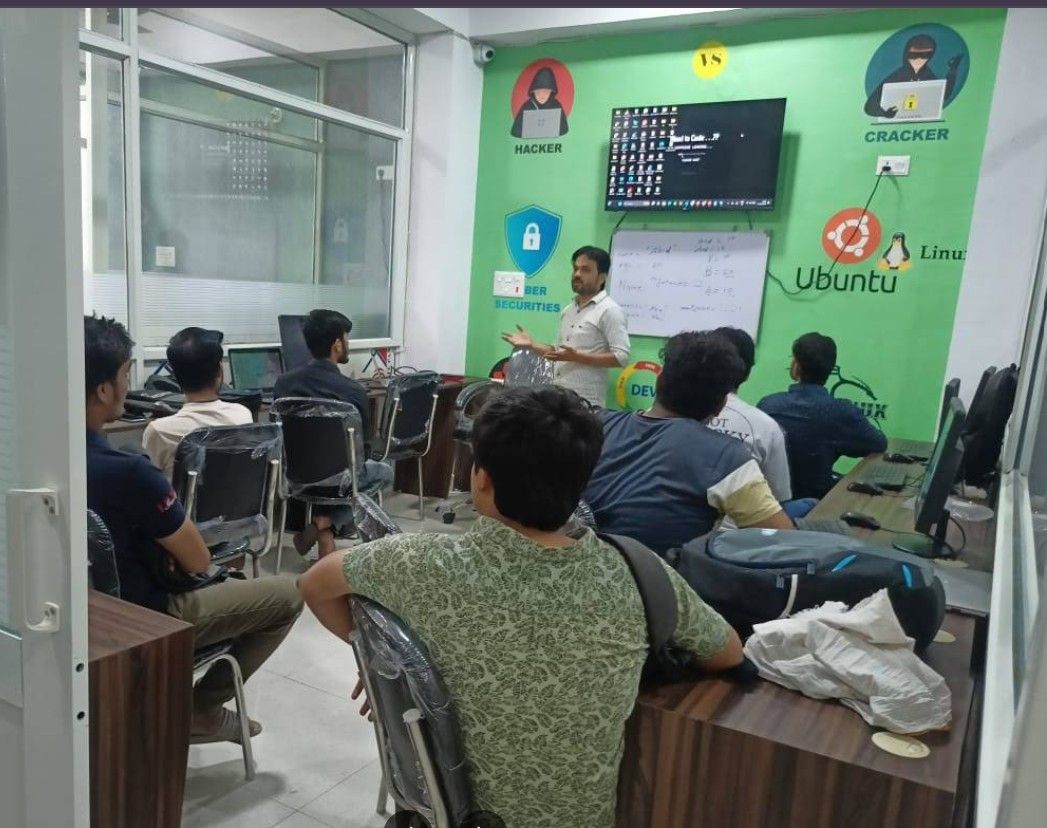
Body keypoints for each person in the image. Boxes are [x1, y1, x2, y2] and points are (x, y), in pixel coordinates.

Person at [299, 386, 742, 828]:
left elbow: (315, 584)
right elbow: (728, 652)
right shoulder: (636, 573)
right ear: (583, 480)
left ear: (481, 478)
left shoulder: (419, 563)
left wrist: (384, 661)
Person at [84, 316, 302, 744]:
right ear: (105, 389)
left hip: (89, 610)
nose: (129, 384)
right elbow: (198, 559)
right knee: (291, 595)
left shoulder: (52, 460)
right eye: (127, 374)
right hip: (149, 609)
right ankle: (201, 709)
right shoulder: (130, 471)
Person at [584, 331, 793, 556]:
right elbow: (783, 541)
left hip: (577, 562)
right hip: (656, 576)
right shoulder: (726, 457)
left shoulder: (596, 424)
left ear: (658, 380)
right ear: (721, 405)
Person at [272, 308, 393, 558]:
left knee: (332, 475)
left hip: (295, 477)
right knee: (384, 471)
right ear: (337, 344)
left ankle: (323, 528)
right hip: (341, 480)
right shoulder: (352, 391)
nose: (348, 344)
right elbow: (362, 448)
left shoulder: (283, 384)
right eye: (347, 339)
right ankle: (326, 524)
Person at [758, 332, 887, 500]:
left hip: (767, 501)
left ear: (796, 366)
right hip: (816, 504)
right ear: (831, 369)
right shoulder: (841, 412)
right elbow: (879, 443)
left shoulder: (767, 404)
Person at [501, 246, 630, 407]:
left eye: (585, 270)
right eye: (575, 268)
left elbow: (621, 357)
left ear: (602, 277)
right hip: (559, 398)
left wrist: (577, 357)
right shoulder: (568, 310)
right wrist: (531, 344)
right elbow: (558, 353)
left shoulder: (610, 310)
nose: (577, 274)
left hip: (586, 402)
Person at [142, 327, 253, 478]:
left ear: (175, 375)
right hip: (237, 494)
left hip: (180, 495)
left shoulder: (159, 431)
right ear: (219, 371)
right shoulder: (242, 415)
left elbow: (147, 485)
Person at [707, 327, 793, 504]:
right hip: (746, 520)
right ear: (747, 371)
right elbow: (779, 496)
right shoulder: (767, 427)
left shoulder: (668, 416)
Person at [864, 33, 963, 118]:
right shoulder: (899, 75)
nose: (919, 59)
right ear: (907, 54)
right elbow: (870, 106)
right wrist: (885, 113)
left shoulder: (927, 74)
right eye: (914, 55)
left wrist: (953, 70)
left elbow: (943, 95)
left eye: (925, 55)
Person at [510, 65, 569, 138]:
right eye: (538, 92)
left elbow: (563, 131)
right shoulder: (527, 106)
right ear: (533, 92)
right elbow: (516, 132)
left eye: (546, 92)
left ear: (551, 92)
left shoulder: (557, 106)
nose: (542, 95)